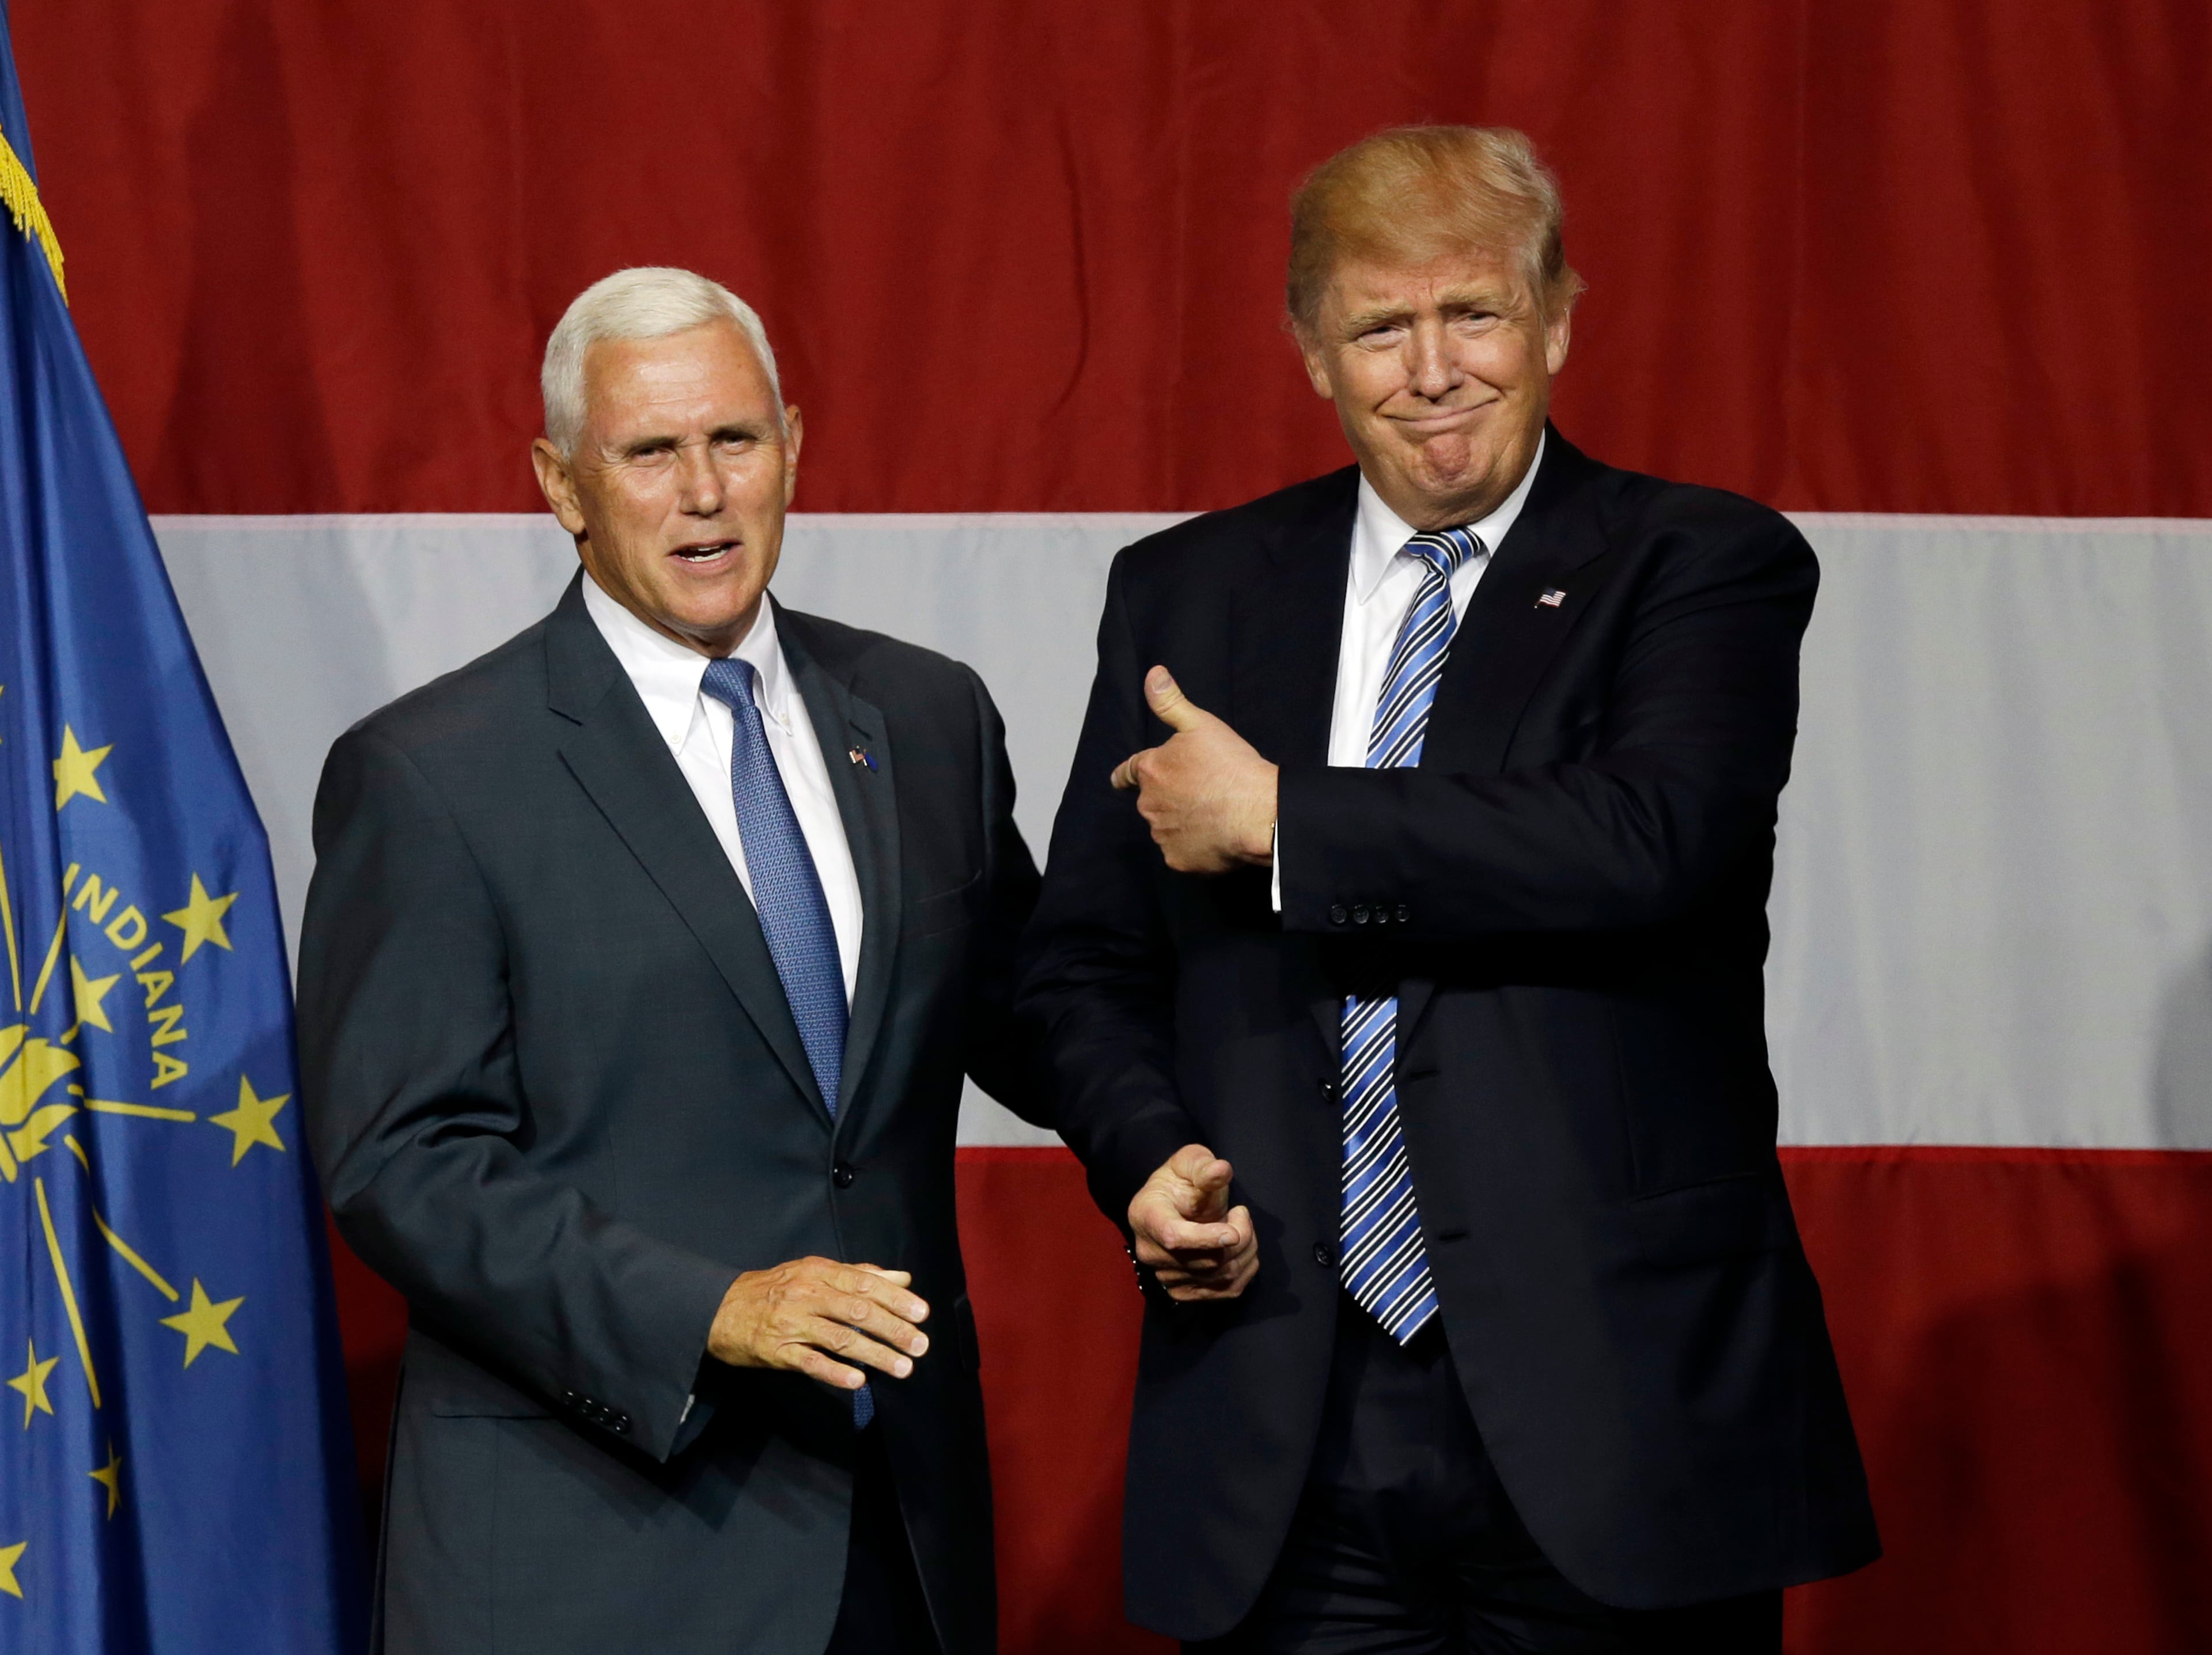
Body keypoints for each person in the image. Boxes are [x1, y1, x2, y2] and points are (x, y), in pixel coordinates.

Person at [1018, 127, 1879, 1652]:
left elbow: (1644, 840)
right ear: (1312, 355)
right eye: (1378, 326)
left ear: (1555, 318)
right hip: (1287, 1409)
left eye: (1472, 312)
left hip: (1617, 1415)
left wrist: (1285, 817)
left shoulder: (1698, 564)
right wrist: (1145, 1155)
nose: (1432, 369)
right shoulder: (1189, 593)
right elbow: (1084, 959)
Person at [298, 266, 1040, 1655]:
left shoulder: (929, 716)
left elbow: (1034, 1012)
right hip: (598, 1545)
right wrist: (713, 1311)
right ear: (562, 483)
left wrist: (1173, 1127)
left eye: (735, 441)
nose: (703, 491)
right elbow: (400, 1162)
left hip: (897, 1537)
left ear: (792, 448)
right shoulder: (434, 775)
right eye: (650, 451)